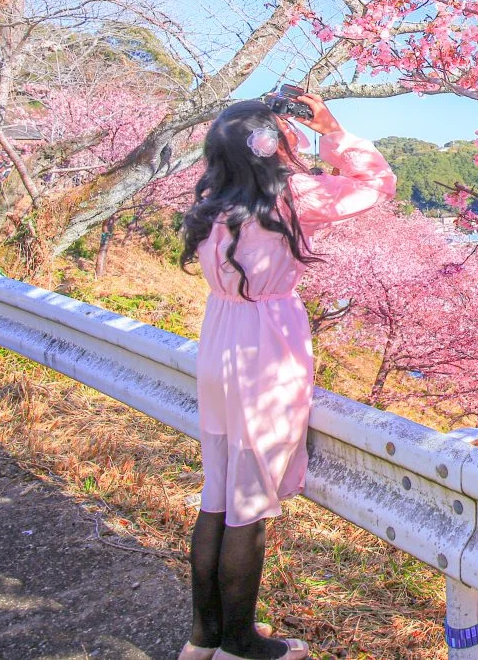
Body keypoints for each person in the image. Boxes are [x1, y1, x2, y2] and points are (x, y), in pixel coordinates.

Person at [177, 94, 395, 660]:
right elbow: (376, 185)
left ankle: (203, 638)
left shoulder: (213, 202)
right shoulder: (290, 197)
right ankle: (240, 643)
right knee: (250, 501)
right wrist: (331, 129)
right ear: (271, 145)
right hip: (266, 346)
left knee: (218, 493)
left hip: (218, 337)